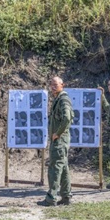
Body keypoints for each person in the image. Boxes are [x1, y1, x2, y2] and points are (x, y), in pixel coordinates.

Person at [37, 76, 73, 206]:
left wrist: (57, 133)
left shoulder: (63, 100)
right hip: (59, 139)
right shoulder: (59, 99)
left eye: (55, 84)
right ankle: (66, 196)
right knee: (63, 167)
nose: (53, 87)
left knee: (55, 168)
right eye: (51, 84)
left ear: (62, 85)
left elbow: (67, 118)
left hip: (60, 139)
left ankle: (51, 197)